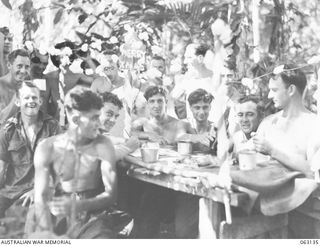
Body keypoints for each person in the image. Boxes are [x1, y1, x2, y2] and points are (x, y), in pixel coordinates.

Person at [31, 86, 127, 238]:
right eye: (107, 114)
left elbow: (109, 195)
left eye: (116, 116)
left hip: (92, 215)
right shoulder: (48, 147)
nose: (112, 120)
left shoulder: (104, 144)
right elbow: (41, 196)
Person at [251, 64, 320, 238]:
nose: (268, 95)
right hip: (265, 209)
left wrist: (272, 150)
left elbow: (312, 172)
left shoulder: (313, 125)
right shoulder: (268, 122)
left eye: (274, 90)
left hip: (304, 214)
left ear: (290, 90)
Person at [0, 81, 60, 218]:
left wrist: (37, 190)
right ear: (17, 101)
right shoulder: (7, 130)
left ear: (40, 101)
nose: (31, 101)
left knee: (20, 220)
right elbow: (1, 168)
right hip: (11, 191)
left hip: (42, 190)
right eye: (26, 98)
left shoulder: (52, 126)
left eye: (34, 98)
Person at [171, 43, 213, 119]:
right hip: (192, 128)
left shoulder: (215, 78)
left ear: (200, 58)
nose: (185, 62)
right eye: (185, 57)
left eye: (189, 57)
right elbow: (172, 99)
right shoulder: (187, 80)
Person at [178, 88, 215, 153]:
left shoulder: (215, 127)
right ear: (191, 108)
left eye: (205, 107)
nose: (201, 112)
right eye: (197, 108)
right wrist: (197, 137)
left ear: (210, 107)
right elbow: (177, 136)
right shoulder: (184, 123)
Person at [0, 49, 31, 125]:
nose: (23, 71)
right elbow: (1, 119)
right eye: (19, 66)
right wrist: (17, 95)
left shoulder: (27, 87)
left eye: (27, 67)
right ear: (9, 65)